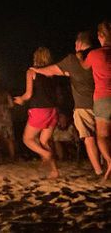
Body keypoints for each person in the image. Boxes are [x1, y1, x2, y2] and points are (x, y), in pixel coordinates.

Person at [30, 31, 102, 176]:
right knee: (104, 137)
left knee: (89, 138)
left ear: (78, 44)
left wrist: (35, 70)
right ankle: (107, 164)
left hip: (83, 105)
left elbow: (52, 70)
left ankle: (99, 171)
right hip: (102, 101)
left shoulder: (72, 60)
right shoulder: (99, 56)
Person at [14, 47, 59, 178]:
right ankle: (54, 171)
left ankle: (46, 155)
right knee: (44, 142)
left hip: (39, 110)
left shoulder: (31, 71)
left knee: (27, 139)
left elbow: (28, 94)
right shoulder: (53, 72)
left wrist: (20, 99)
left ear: (36, 57)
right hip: (53, 110)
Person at [82, 20, 111, 181]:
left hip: (103, 98)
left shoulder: (95, 54)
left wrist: (81, 54)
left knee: (102, 136)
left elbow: (84, 66)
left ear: (100, 36)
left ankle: (109, 161)